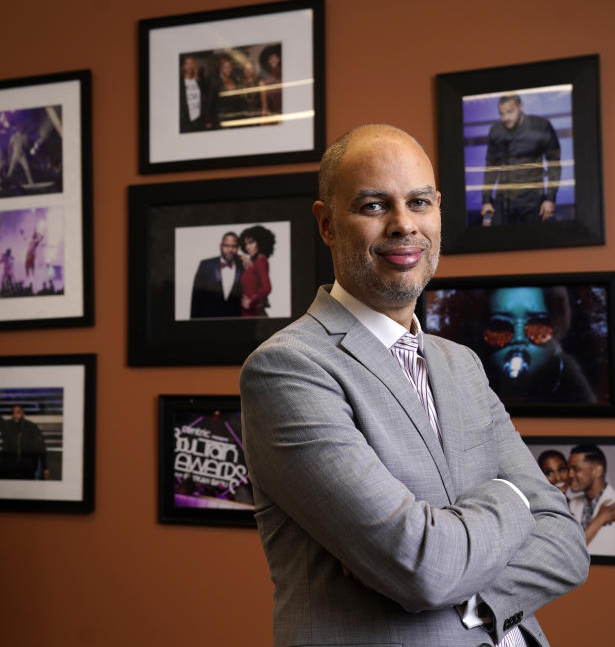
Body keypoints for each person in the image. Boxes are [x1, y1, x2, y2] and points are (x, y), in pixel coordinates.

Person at [240, 124, 588, 647]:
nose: (404, 225)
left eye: (419, 202)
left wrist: (470, 587)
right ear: (327, 224)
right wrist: (515, 498)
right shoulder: (289, 369)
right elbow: (425, 567)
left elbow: (565, 542)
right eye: (375, 205)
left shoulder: (462, 363)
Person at [482, 287, 595, 404]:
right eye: (501, 326)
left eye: (536, 326)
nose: (519, 339)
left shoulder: (571, 378)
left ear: (558, 327)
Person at [480, 94, 561, 225]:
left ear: (521, 107)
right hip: (505, 197)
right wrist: (487, 200)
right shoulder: (496, 131)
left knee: (535, 239)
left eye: (510, 112)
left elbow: (554, 164)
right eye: (502, 114)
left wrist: (550, 198)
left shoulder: (541, 126)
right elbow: (491, 167)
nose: (506, 118)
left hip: (533, 197)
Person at [537, 449, 615, 548]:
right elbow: (570, 548)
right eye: (549, 473)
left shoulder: (571, 504)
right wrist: (600, 519)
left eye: (562, 470)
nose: (558, 477)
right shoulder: (543, 510)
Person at [567, 444, 615, 557]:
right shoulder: (572, 504)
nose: (570, 474)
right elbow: (565, 551)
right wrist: (600, 519)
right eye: (569, 469)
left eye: (576, 469)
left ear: (597, 471)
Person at [0, 394, 49, 480]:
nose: (15, 414)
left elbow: (41, 446)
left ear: (22, 413)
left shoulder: (31, 427)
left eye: (18, 412)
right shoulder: (7, 426)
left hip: (27, 467)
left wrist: (45, 468)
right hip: (9, 467)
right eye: (14, 412)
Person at [189, 232, 243, 319]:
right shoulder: (206, 264)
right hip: (208, 320)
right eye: (226, 246)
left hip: (235, 322)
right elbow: (196, 297)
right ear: (221, 246)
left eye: (234, 246)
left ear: (237, 248)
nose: (230, 249)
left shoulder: (242, 266)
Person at [238, 225, 275, 317]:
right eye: (245, 244)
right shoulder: (253, 262)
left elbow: (267, 288)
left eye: (251, 243)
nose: (247, 247)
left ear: (260, 242)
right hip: (247, 312)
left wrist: (251, 302)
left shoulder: (260, 261)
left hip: (252, 313)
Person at [178, 54, 209, 132]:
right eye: (187, 63)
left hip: (199, 119)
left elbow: (205, 101)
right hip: (185, 121)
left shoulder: (199, 81)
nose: (189, 66)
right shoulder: (178, 82)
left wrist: (207, 119)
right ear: (183, 66)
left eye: (191, 63)